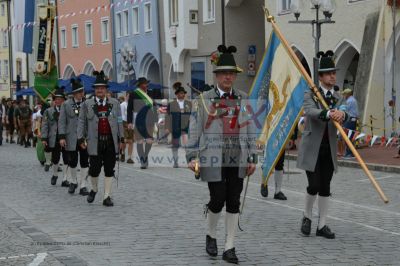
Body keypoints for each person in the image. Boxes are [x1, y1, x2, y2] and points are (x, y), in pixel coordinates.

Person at [186, 45, 257, 264]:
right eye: (224, 73)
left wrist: (252, 156)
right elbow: (195, 128)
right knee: (217, 199)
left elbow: (250, 128)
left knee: (234, 201)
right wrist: (192, 156)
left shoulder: (244, 98)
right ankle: (211, 234)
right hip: (213, 156)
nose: (228, 77)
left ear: (235, 76)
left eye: (231, 73)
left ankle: (230, 246)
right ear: (216, 75)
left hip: (238, 156)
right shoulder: (204, 99)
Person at [297, 51, 348, 239]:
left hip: (329, 147)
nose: (332, 76)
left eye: (334, 73)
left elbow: (345, 111)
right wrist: (327, 114)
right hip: (312, 147)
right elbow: (309, 111)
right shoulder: (310, 93)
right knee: (314, 185)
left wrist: (342, 114)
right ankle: (307, 216)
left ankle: (322, 224)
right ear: (320, 77)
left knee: (325, 186)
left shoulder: (338, 96)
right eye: (328, 73)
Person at [77, 71, 124, 207]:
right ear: (94, 90)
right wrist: (81, 139)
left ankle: (107, 196)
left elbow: (119, 121)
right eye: (97, 88)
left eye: (102, 88)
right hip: (94, 141)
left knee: (109, 169)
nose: (100, 90)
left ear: (106, 90)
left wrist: (122, 139)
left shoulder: (115, 103)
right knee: (94, 169)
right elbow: (81, 122)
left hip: (110, 141)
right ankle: (94, 189)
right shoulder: (87, 104)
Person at [59, 78, 90, 196]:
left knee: (84, 161)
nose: (81, 94)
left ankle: (83, 185)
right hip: (70, 136)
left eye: (82, 91)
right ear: (73, 94)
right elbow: (62, 122)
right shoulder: (66, 104)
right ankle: (73, 181)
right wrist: (61, 137)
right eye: (78, 92)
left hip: (84, 137)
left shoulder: (87, 104)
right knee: (72, 160)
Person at [41, 87, 70, 187]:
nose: (58, 101)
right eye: (56, 99)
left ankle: (65, 178)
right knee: (55, 158)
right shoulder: (48, 111)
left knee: (67, 158)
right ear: (54, 100)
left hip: (66, 137)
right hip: (54, 137)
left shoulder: (68, 111)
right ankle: (55, 174)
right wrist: (44, 138)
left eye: (60, 99)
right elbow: (45, 125)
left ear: (64, 100)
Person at [127, 77, 157, 169]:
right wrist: (129, 122)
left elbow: (154, 106)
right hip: (138, 119)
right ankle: (142, 161)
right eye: (144, 84)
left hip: (149, 119)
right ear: (139, 85)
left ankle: (145, 155)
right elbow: (129, 109)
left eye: (146, 83)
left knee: (149, 140)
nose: (146, 85)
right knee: (139, 141)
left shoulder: (151, 93)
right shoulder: (134, 94)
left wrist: (156, 119)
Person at [165, 82, 192, 168]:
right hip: (175, 127)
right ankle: (175, 162)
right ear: (177, 94)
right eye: (181, 93)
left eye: (183, 93)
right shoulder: (171, 104)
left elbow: (192, 115)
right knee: (175, 145)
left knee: (187, 145)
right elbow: (168, 117)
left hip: (185, 127)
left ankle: (189, 161)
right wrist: (167, 128)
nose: (182, 94)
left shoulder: (189, 103)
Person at [342, 88, 358, 159]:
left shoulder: (349, 101)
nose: (344, 96)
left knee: (348, 136)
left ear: (348, 94)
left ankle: (349, 153)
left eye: (344, 94)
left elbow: (344, 110)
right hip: (352, 120)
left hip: (350, 120)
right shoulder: (353, 100)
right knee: (350, 136)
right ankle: (349, 152)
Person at [119, 93, 134, 164]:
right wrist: (119, 124)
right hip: (124, 122)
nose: (129, 98)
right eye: (128, 96)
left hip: (131, 123)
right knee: (124, 140)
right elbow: (120, 115)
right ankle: (122, 152)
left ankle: (129, 157)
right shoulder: (122, 105)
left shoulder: (133, 105)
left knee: (131, 141)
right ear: (126, 97)